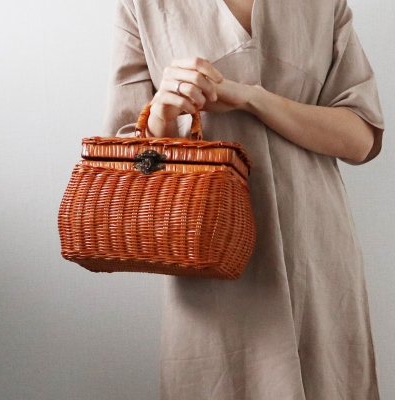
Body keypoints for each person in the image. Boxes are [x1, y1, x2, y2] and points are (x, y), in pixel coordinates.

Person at [102, 0, 385, 398]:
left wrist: (253, 99)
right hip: (209, 258)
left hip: (315, 250)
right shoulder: (143, 6)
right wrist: (162, 115)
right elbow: (125, 158)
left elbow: (360, 137)